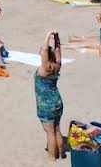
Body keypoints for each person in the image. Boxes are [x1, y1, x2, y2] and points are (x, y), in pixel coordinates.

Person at [36, 31, 64, 160]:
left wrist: (47, 36)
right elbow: (58, 51)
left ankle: (52, 157)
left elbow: (45, 50)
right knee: (57, 129)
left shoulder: (45, 67)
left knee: (50, 132)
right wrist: (57, 39)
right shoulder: (57, 65)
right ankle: (61, 153)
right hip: (57, 101)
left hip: (46, 104)